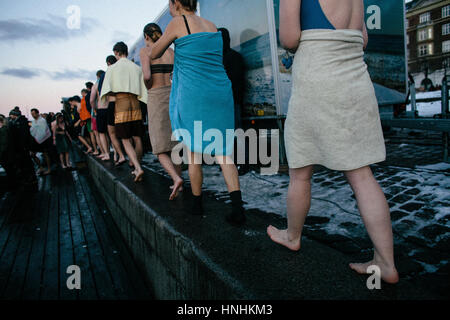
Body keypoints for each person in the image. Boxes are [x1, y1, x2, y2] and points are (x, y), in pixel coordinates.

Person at [267, 0, 399, 284]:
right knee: (362, 175)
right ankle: (386, 263)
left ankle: (292, 236)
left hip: (319, 79)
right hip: (354, 80)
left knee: (300, 172)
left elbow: (289, 38)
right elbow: (362, 39)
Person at [150, 0, 246, 225]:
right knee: (223, 151)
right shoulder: (211, 25)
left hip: (195, 94)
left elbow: (155, 52)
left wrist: (168, 41)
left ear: (175, 3)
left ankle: (196, 204)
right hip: (220, 92)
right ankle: (237, 209)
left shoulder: (177, 23)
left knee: (193, 152)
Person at [140, 23, 183, 200]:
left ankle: (176, 178)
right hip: (173, 95)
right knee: (175, 141)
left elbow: (147, 76)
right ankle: (178, 182)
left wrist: (146, 85)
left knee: (159, 146)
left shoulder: (145, 52)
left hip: (156, 96)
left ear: (147, 36)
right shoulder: (171, 52)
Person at [101, 42, 147, 182]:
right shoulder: (136, 68)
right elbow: (143, 90)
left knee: (125, 139)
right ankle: (137, 164)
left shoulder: (112, 68)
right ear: (126, 51)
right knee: (138, 137)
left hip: (121, 103)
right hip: (135, 102)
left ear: (116, 52)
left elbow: (107, 91)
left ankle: (138, 168)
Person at [218, 27, 249, 176]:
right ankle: (240, 163)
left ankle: (237, 163)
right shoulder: (236, 56)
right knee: (237, 132)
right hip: (236, 100)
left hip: (227, 102)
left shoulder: (221, 59)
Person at [105, 55, 127, 166]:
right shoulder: (122, 72)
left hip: (112, 103)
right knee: (125, 133)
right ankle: (130, 158)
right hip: (123, 103)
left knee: (112, 133)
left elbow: (107, 91)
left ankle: (121, 156)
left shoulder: (110, 71)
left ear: (108, 63)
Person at [90, 70, 111, 161]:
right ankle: (116, 154)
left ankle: (106, 153)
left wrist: (94, 109)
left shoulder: (96, 85)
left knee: (102, 133)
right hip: (110, 108)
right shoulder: (108, 81)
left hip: (101, 109)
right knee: (111, 133)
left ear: (97, 76)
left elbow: (91, 100)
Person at [30, 108, 53, 175]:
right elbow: (32, 130)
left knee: (45, 154)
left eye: (34, 113)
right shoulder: (33, 121)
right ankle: (40, 167)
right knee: (32, 154)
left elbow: (43, 131)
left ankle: (49, 169)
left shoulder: (42, 120)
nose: (33, 115)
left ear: (37, 113)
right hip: (36, 140)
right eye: (32, 114)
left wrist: (38, 137)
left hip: (44, 140)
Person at [80, 88, 98, 155]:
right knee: (97, 133)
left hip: (88, 118)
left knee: (92, 134)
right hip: (92, 116)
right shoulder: (91, 96)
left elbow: (81, 110)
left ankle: (96, 150)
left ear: (83, 93)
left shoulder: (83, 99)